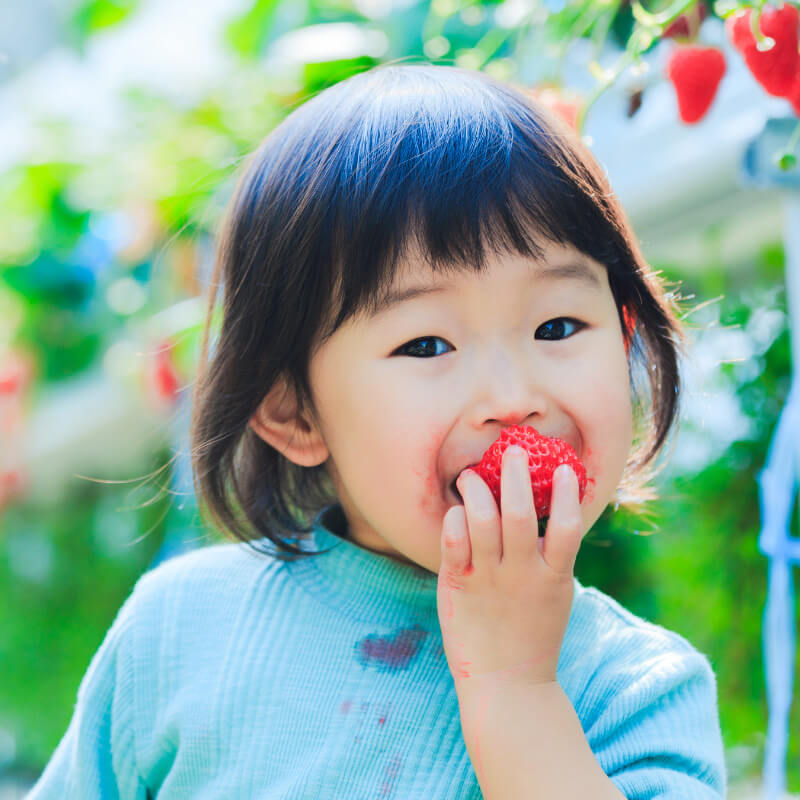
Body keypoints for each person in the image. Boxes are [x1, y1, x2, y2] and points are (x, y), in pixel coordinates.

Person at [28, 64, 726, 799]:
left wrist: (515, 688)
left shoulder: (638, 691)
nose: (513, 398)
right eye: (426, 345)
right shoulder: (181, 631)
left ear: (625, 341)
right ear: (295, 411)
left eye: (557, 326)